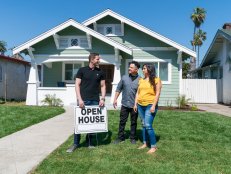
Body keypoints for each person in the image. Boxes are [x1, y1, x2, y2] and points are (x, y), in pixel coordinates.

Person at [66, 53, 106, 153]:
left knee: (91, 123)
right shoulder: (82, 70)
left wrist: (103, 98)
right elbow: (77, 85)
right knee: (79, 122)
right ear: (92, 59)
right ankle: (75, 143)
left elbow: (103, 86)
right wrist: (79, 99)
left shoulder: (100, 72)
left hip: (95, 100)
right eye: (97, 59)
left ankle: (90, 142)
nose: (99, 60)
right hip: (83, 100)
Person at [133, 63, 162, 154]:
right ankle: (145, 143)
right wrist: (135, 104)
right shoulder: (141, 80)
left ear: (149, 69)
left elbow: (157, 93)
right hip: (140, 105)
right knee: (143, 124)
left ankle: (153, 146)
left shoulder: (156, 80)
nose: (143, 70)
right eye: (143, 68)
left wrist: (154, 105)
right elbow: (138, 93)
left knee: (148, 125)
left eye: (144, 68)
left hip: (150, 104)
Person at [113, 61, 140, 144]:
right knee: (122, 121)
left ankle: (132, 138)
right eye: (129, 67)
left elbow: (140, 93)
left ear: (136, 69)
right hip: (124, 104)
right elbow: (118, 88)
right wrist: (115, 99)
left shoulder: (140, 80)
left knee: (134, 122)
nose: (129, 68)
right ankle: (120, 137)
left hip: (134, 105)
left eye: (131, 67)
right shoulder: (124, 77)